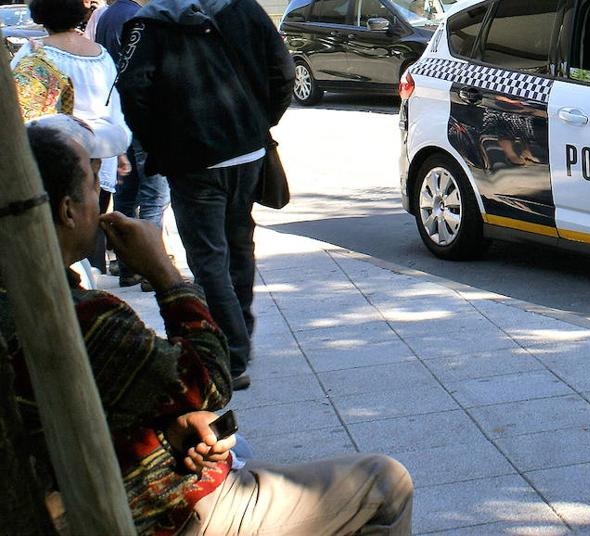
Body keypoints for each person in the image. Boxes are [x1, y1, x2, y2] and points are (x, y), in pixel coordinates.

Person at [10, 118, 413, 535]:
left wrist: (169, 428)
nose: (104, 199)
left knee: (240, 446)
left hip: (126, 473)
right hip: (159, 513)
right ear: (67, 210)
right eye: (95, 185)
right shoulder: (83, 320)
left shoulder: (33, 299)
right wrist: (165, 273)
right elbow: (210, 381)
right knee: (386, 483)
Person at [117, 0, 294, 391]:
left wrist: (160, 143)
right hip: (248, 151)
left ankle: (232, 353)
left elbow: (134, 92)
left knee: (207, 255)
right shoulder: (247, 9)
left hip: (192, 160)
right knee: (238, 244)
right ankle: (240, 337)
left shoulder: (150, 22)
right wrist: (260, 123)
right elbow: (284, 73)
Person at [11, 0, 131, 278]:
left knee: (62, 226)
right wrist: (120, 152)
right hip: (101, 150)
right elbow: (115, 106)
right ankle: (94, 278)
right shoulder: (100, 53)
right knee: (93, 219)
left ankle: (82, 285)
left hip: (56, 154)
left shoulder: (34, 54)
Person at [97, 0, 171, 247]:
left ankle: (127, 262)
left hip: (119, 116)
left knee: (126, 194)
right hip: (140, 117)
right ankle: (150, 262)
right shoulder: (139, 18)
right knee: (154, 196)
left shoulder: (108, 15)